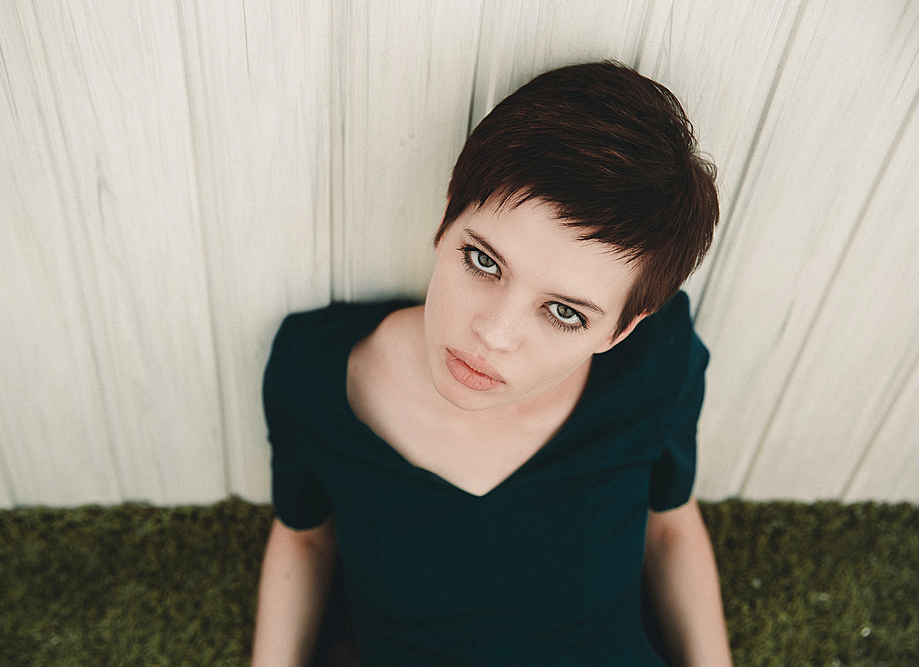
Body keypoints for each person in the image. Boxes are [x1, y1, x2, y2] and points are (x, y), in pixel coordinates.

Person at [251, 60, 732, 666]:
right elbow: (303, 541)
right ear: (447, 216)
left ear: (622, 329)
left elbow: (668, 525)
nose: (493, 335)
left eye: (564, 312)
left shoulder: (655, 369)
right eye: (483, 261)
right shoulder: (312, 372)